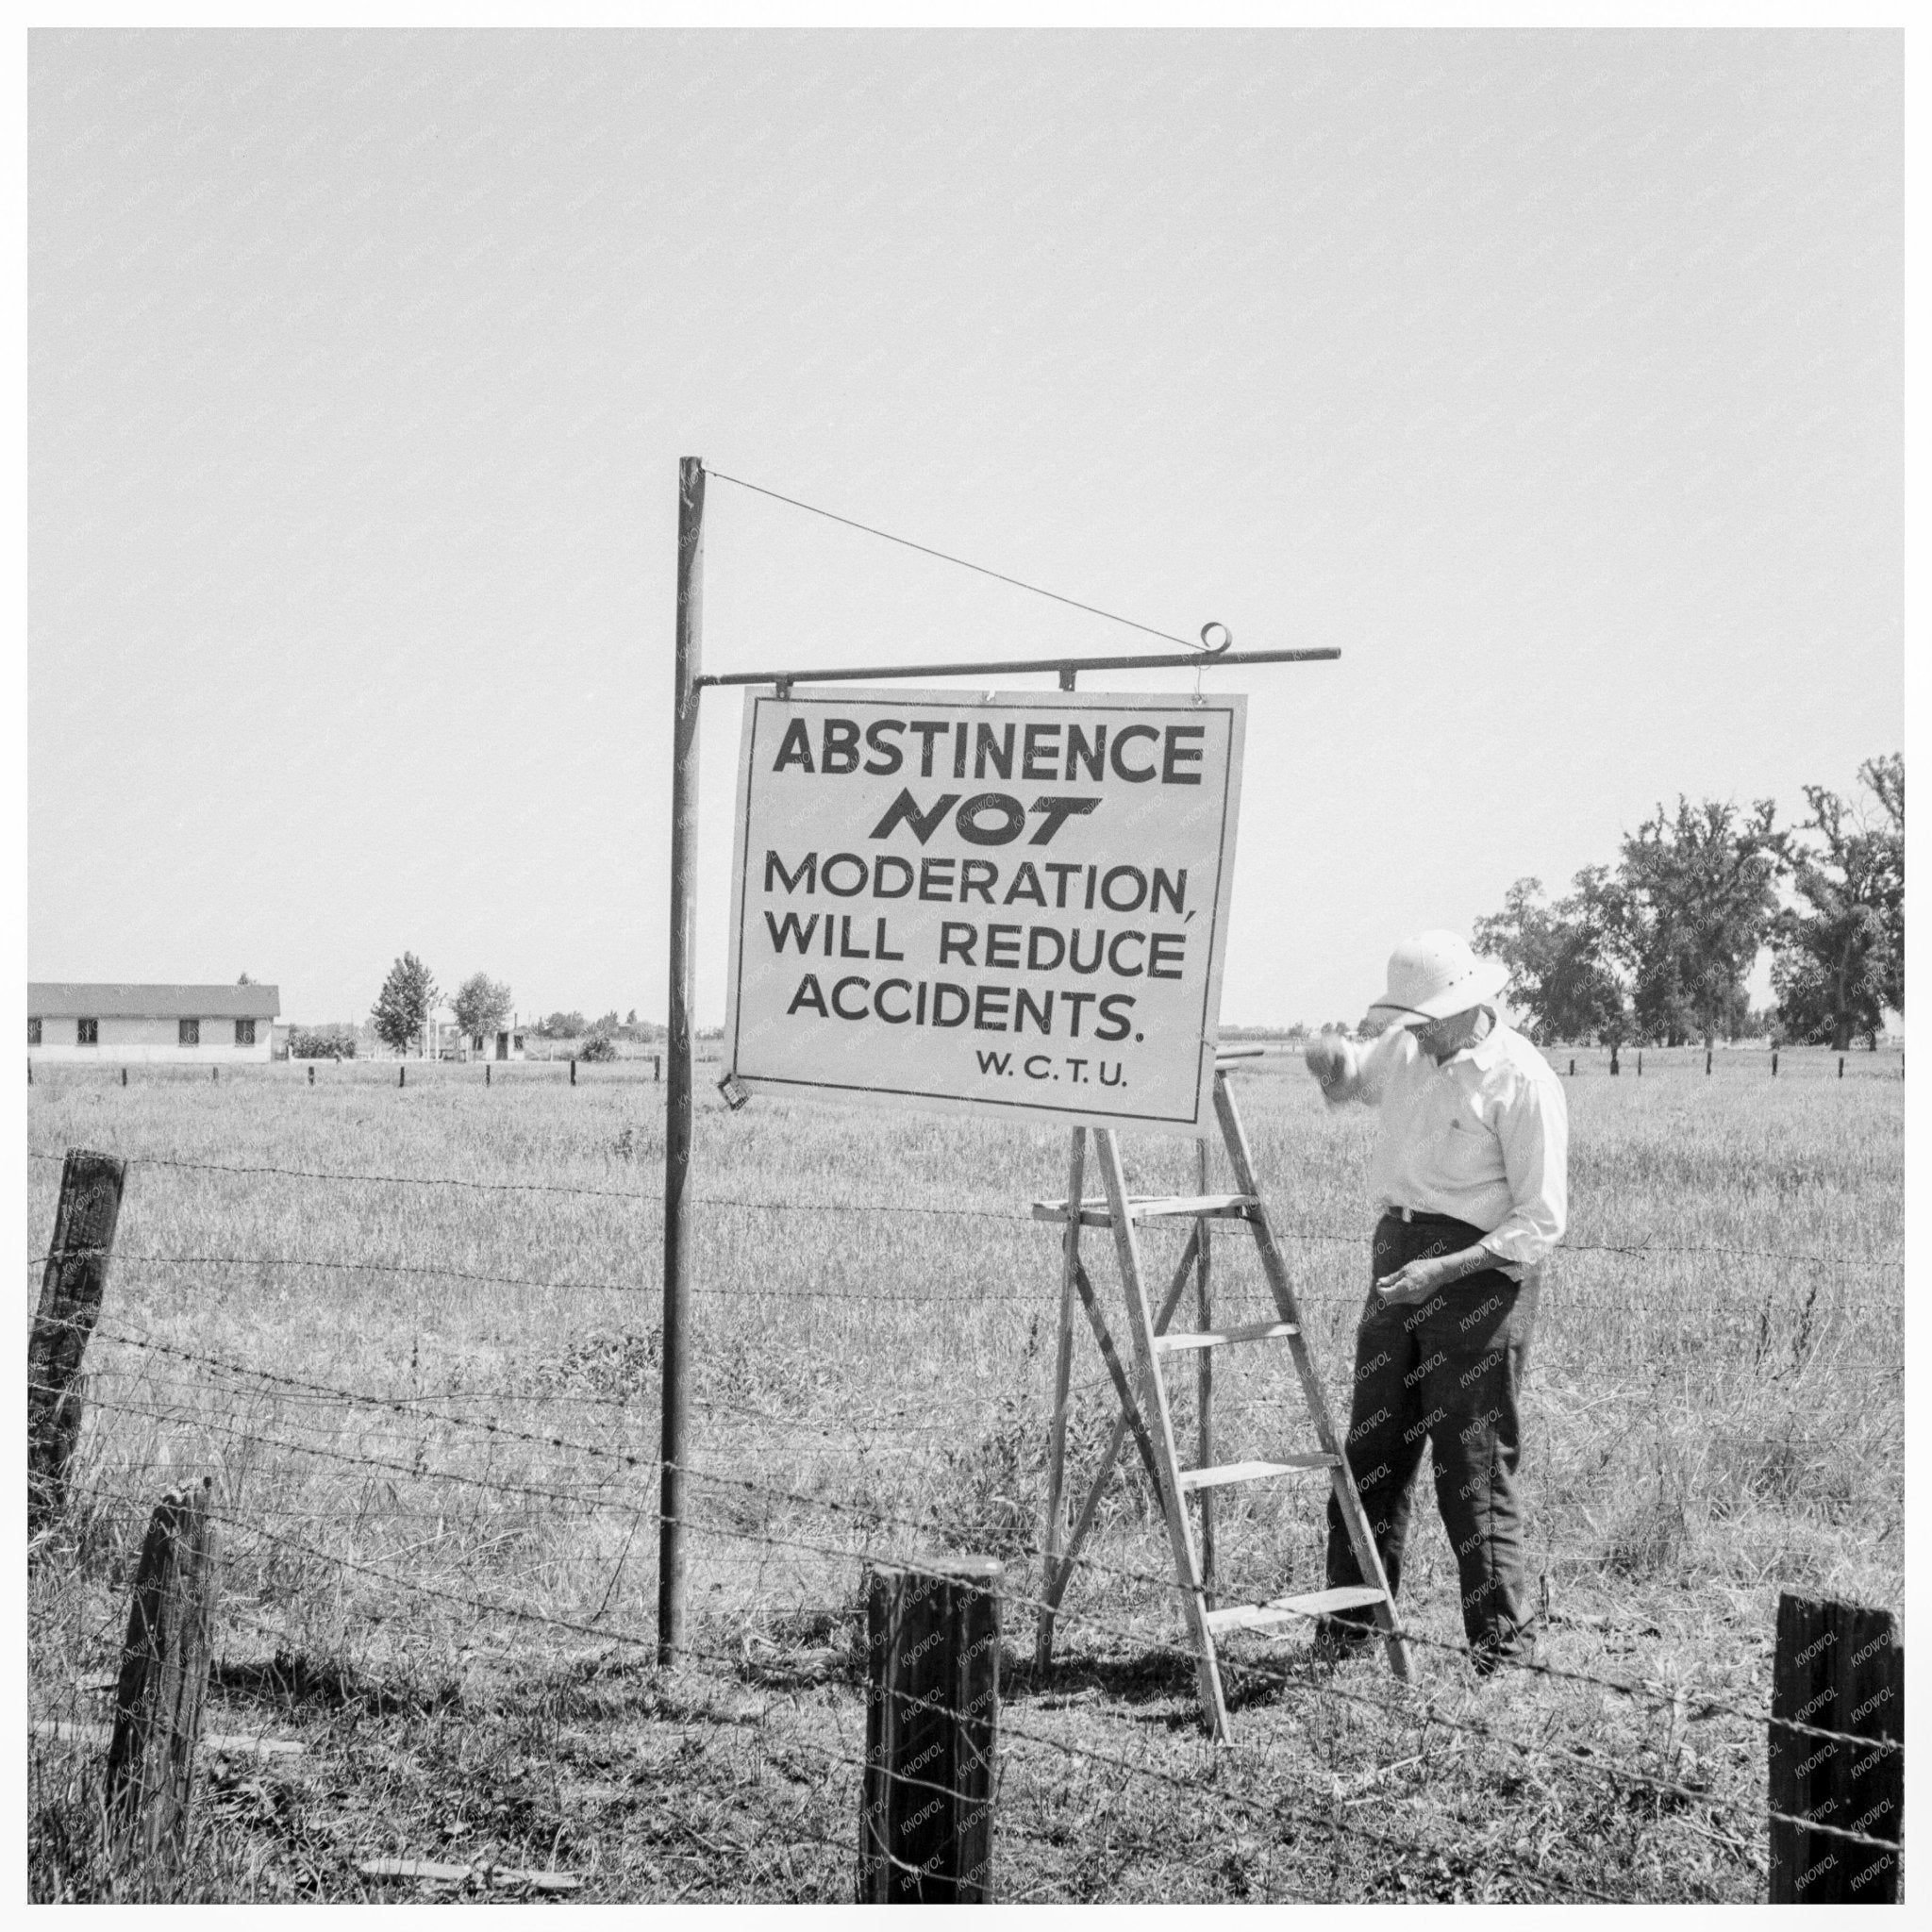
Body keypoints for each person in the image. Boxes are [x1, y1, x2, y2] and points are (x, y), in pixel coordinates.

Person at [1303, 928, 1568, 1674]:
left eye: (1427, 1017)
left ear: (1473, 1003)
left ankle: (1501, 1655)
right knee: (1372, 1453)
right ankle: (1348, 1633)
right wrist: (1329, 1060)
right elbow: (1353, 1077)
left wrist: (1446, 1270)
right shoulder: (1411, 1045)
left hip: (1480, 1278)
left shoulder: (1522, 1079)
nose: (1415, 1030)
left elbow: (1541, 1220)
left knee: (1473, 1465)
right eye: (1408, 1017)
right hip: (1398, 1256)